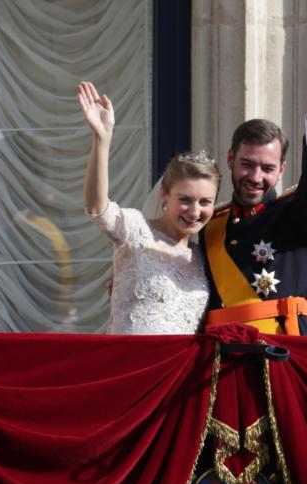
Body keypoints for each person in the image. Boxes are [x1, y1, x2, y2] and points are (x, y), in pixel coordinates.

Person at [201, 65, 307, 336]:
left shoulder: (298, 214)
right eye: (247, 164)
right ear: (230, 160)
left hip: (282, 354)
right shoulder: (210, 225)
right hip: (219, 359)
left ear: (281, 170)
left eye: (267, 168)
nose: (255, 177)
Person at [78, 81, 220, 334]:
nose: (195, 212)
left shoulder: (202, 257)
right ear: (164, 194)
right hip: (133, 363)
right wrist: (102, 138)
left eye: (205, 202)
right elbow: (97, 207)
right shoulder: (135, 229)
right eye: (185, 199)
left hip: (179, 370)